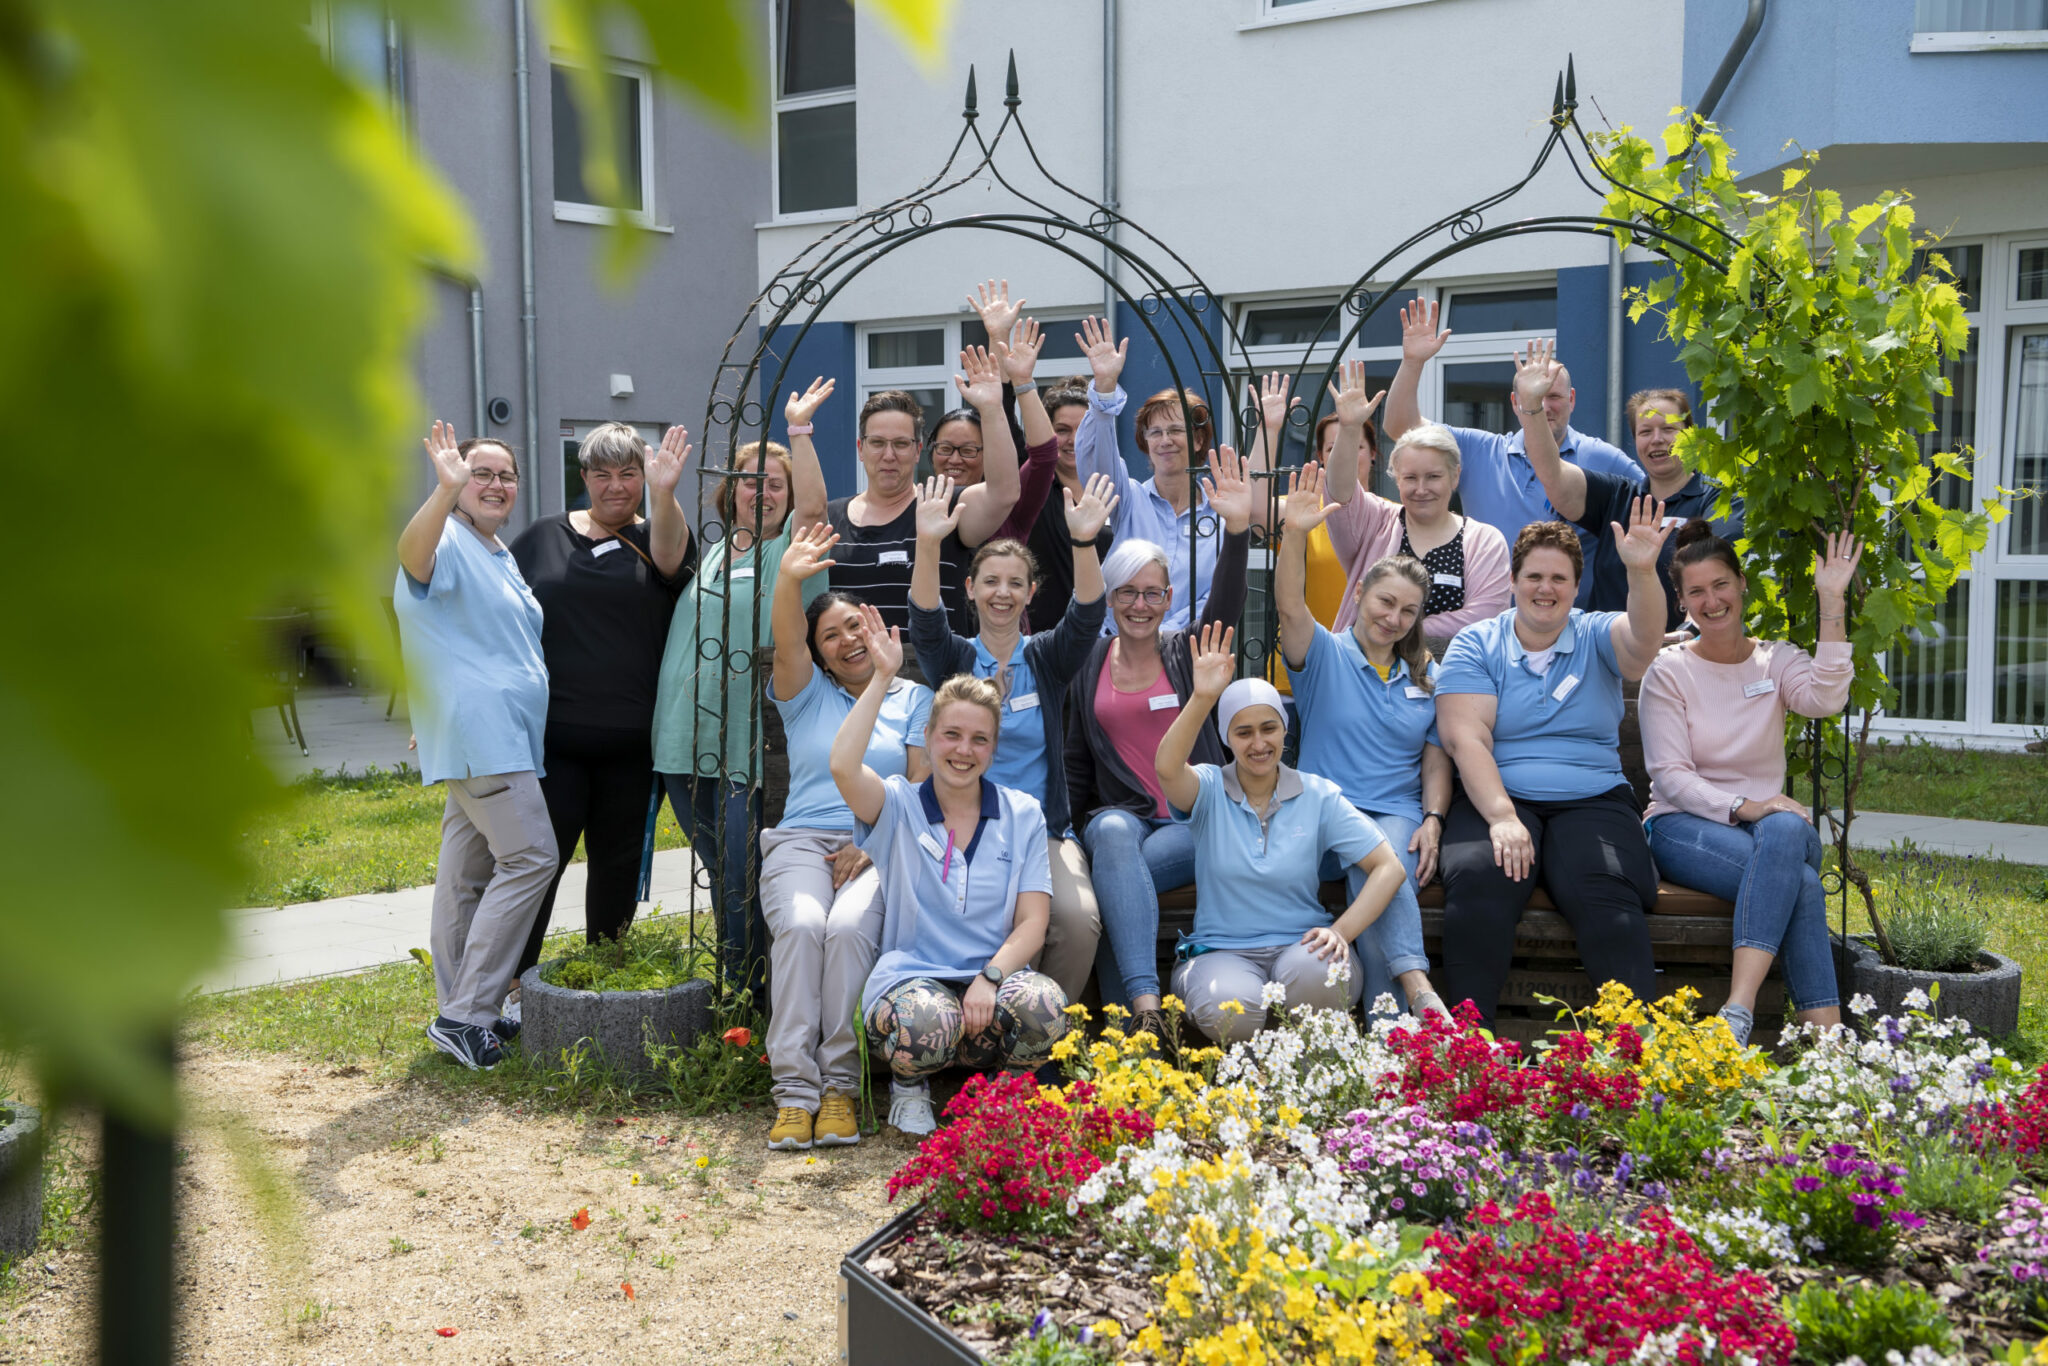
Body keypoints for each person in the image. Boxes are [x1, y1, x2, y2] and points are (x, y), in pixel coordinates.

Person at [1433, 508, 1674, 1024]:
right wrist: (1501, 817)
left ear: (1577, 586)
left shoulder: (1595, 634)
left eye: (1559, 578)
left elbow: (1643, 645)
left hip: (1593, 799)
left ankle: (1636, 1060)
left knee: (1605, 887)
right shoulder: (1477, 644)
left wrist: (1641, 572)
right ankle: (1469, 1054)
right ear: (1513, 581)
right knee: (1479, 877)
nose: (1546, 589)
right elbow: (1466, 737)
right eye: (1534, 577)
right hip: (1498, 793)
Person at [833, 616, 1069, 1137]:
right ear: (929, 736)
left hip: (988, 986)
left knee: (1047, 1005)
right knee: (923, 1021)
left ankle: (1005, 1091)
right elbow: (844, 769)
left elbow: (1033, 922)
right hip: (913, 986)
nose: (964, 750)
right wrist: (880, 679)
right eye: (952, 735)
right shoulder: (897, 803)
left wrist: (990, 977)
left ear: (993, 748)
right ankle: (909, 1088)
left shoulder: (1023, 812)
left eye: (979, 740)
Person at [908, 465, 1119, 1007]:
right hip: (964, 829)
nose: (1002, 593)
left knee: (1077, 921)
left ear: (1030, 595)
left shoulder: (1045, 658)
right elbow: (925, 621)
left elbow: (1089, 614)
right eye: (991, 581)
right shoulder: (956, 659)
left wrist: (1083, 541)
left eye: (1015, 584)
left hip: (1042, 831)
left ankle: (1043, 1034)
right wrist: (928, 543)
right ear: (972, 590)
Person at [1154, 628, 1430, 1042]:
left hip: (1302, 947)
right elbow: (1167, 768)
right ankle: (1249, 1085)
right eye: (1243, 732)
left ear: (1285, 731)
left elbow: (1388, 868)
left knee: (1318, 978)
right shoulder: (1208, 788)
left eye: (1269, 728)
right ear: (1227, 739)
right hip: (1220, 952)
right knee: (1232, 1006)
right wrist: (1203, 699)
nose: (1259, 743)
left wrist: (1342, 932)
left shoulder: (1318, 794)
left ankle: (1304, 1077)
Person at [1640, 523, 1859, 1044]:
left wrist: (1831, 601)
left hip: (1770, 830)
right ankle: (1827, 1047)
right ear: (1682, 602)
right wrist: (1746, 805)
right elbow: (1669, 776)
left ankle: (1736, 1012)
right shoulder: (1669, 672)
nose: (1711, 601)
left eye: (1720, 585)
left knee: (1784, 832)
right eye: (1696, 591)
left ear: (1741, 585)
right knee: (1801, 880)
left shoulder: (1776, 659)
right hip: (1681, 827)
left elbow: (1827, 700)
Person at [1065, 446, 1255, 1041]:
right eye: (1126, 593)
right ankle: (1149, 1006)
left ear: (1169, 599)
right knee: (1112, 836)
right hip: (1120, 818)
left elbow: (1225, 603)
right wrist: (1071, 830)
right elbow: (1074, 760)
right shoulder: (1087, 662)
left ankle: (1130, 1027)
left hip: (1192, 823)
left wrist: (1239, 530)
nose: (1139, 605)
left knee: (1116, 875)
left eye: (1152, 594)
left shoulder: (1186, 651)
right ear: (1110, 599)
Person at [651, 378, 833, 997]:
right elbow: (665, 547)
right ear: (730, 492)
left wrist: (800, 432)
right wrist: (663, 491)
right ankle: (751, 990)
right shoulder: (716, 551)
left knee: (739, 877)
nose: (762, 491)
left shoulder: (793, 549)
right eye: (750, 481)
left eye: (773, 483)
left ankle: (750, 997)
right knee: (719, 867)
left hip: (749, 745)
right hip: (683, 740)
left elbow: (813, 509)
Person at [757, 524, 934, 1151]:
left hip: (882, 844)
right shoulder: (803, 696)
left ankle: (838, 1089)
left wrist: (875, 840)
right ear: (820, 655)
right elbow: (785, 636)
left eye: (853, 627)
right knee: (804, 925)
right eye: (830, 636)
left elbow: (918, 782)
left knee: (849, 928)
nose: (846, 641)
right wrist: (789, 577)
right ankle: (793, 1093)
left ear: (874, 626)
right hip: (802, 843)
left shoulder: (913, 696)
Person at [394, 423, 555, 1071]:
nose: (494, 485)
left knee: (464, 876)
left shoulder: (495, 549)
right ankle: (469, 1013)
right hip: (483, 736)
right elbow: (412, 558)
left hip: (491, 733)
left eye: (504, 476)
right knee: (531, 857)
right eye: (480, 474)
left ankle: (457, 1010)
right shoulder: (449, 538)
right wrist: (443, 493)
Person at [509, 422, 695, 982]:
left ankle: (601, 978)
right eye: (603, 474)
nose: (616, 486)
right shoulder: (541, 536)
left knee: (615, 868)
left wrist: (663, 493)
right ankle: (515, 981)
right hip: (552, 743)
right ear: (584, 476)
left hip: (632, 746)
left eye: (629, 474)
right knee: (538, 865)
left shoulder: (659, 532)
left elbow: (670, 564)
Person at [1276, 463, 1454, 1018]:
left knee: (1376, 860)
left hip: (1397, 812)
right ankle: (1416, 990)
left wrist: (1433, 819)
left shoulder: (1425, 671)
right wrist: (1295, 536)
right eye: (1384, 603)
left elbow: (1435, 756)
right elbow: (1288, 605)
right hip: (1323, 816)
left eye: (1408, 610)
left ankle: (1387, 1021)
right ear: (1361, 596)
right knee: (1372, 855)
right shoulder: (1326, 653)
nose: (1394, 618)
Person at [1385, 299, 1643, 603]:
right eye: (1533, 397)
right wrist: (1413, 363)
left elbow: (1660, 505)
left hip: (1571, 630)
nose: (1544, 406)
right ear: (1514, 403)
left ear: (1572, 399)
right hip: (1488, 627)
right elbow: (1403, 429)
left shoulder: (1604, 459)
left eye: (1554, 396)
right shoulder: (1479, 450)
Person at [1510, 344, 1744, 626]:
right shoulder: (1617, 497)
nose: (1657, 439)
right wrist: (1533, 406)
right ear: (1635, 441)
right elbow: (1551, 473)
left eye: (1668, 429)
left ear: (1690, 436)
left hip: (1680, 655)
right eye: (1645, 432)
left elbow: (1720, 578)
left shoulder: (1719, 501)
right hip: (1609, 657)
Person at [826, 348, 1021, 645]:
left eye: (901, 444)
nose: (889, 455)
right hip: (847, 685)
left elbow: (1005, 492)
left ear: (918, 451)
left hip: (933, 685)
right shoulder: (829, 518)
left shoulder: (943, 504)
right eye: (877, 443)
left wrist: (992, 409)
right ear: (860, 448)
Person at [1316, 359, 1512, 644]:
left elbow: (1484, 619)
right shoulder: (1376, 521)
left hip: (1449, 682)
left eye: (1433, 477)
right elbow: (1338, 494)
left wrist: (1392, 626)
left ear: (1455, 476)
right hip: (1368, 678)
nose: (1421, 489)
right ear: (1396, 478)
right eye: (1410, 478)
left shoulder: (1485, 540)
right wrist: (1348, 429)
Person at [961, 281, 1114, 635]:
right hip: (1040, 638)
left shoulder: (1111, 489)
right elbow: (1000, 410)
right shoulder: (1034, 489)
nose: (1073, 440)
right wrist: (999, 338)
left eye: (1082, 429)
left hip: (1100, 638)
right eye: (1061, 429)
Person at [1074, 315, 1230, 631]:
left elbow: (1216, 594)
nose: (1165, 441)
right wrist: (1104, 392)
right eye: (1154, 432)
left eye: (1176, 430)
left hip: (1188, 656)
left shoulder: (1219, 514)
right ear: (1144, 442)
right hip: (1118, 648)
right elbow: (1095, 463)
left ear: (1199, 439)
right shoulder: (1129, 497)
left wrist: (1167, 635)